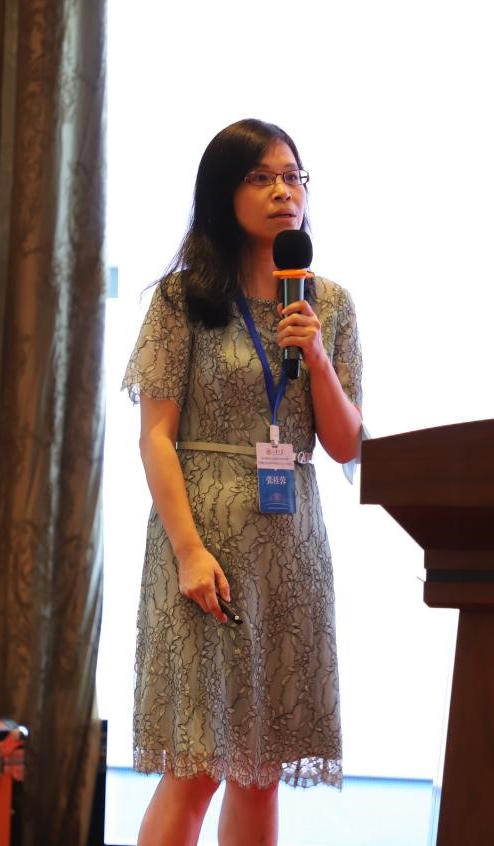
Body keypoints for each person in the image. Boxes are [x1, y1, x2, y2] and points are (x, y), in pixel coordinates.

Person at [122, 118, 364, 846]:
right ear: (223, 193)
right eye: (262, 178)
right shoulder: (182, 301)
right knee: (198, 764)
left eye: (293, 177)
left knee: (262, 767)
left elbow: (346, 443)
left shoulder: (328, 305)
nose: (283, 192)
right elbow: (156, 437)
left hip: (288, 551)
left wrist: (314, 357)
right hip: (204, 548)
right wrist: (189, 551)